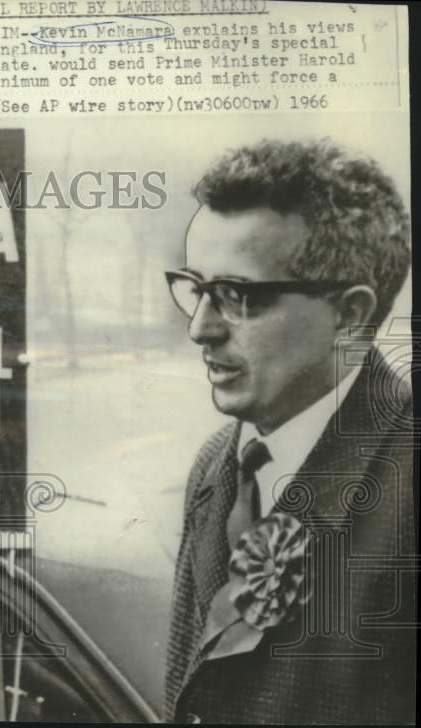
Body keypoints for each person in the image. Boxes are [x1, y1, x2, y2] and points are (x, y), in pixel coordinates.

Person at [163, 139, 414, 724]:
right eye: (196, 289)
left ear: (350, 313)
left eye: (237, 296)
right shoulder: (219, 463)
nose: (201, 329)